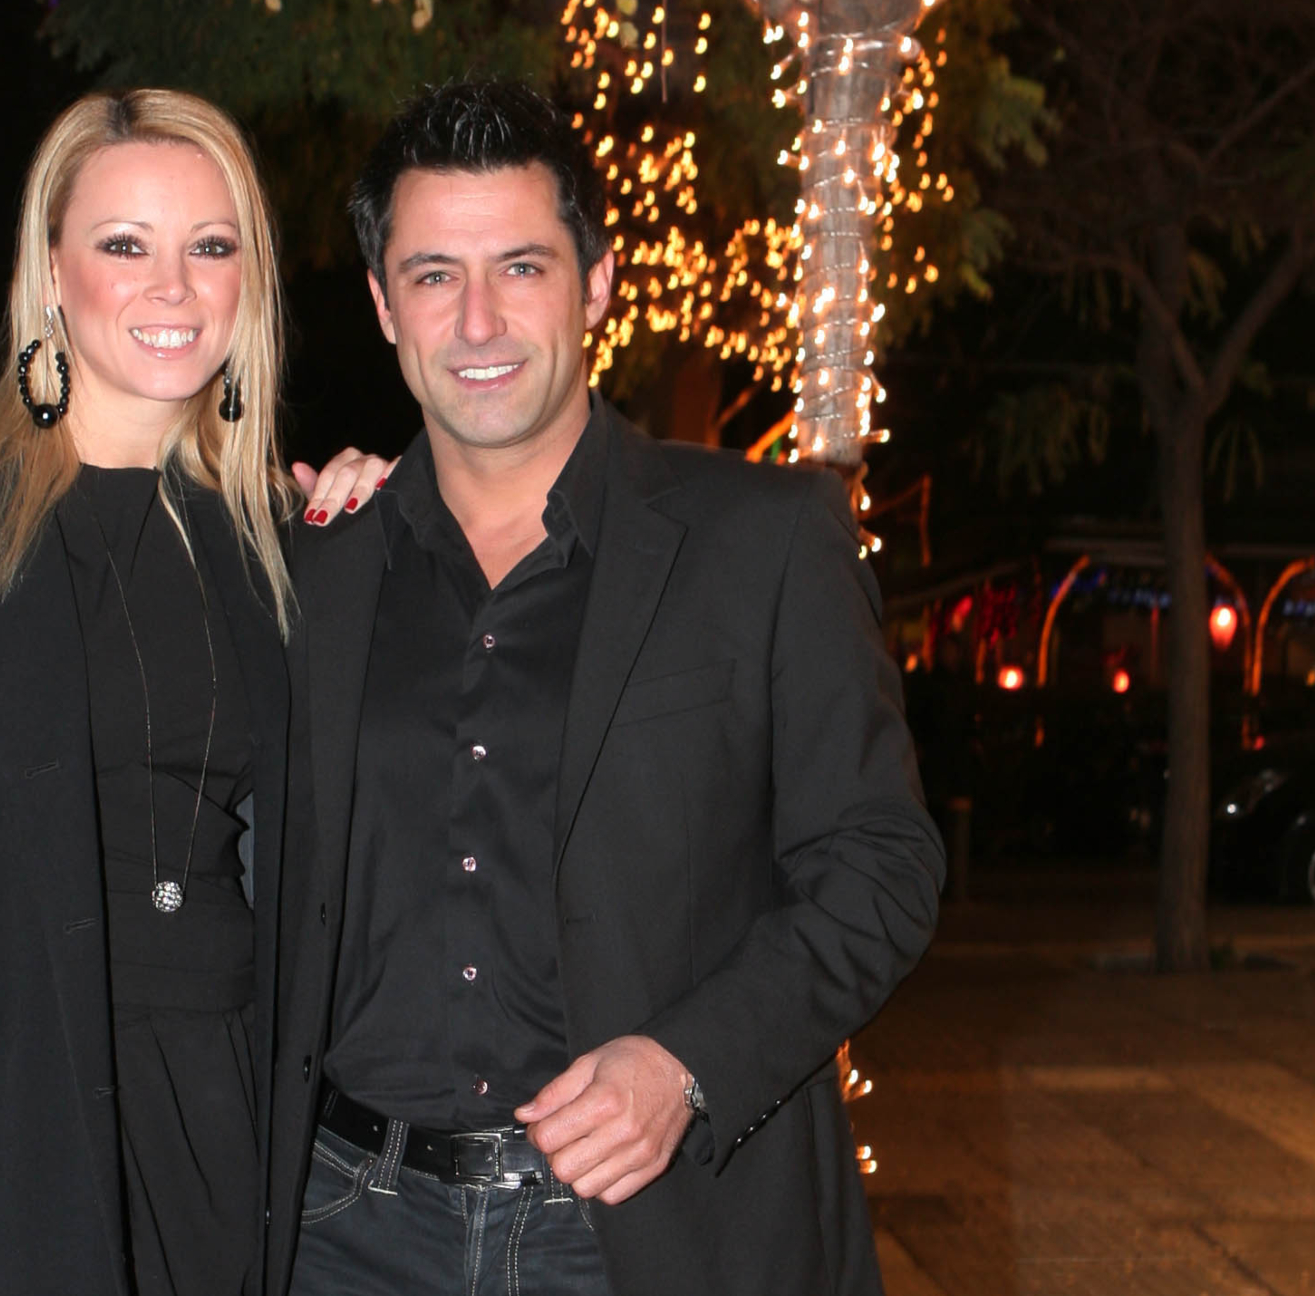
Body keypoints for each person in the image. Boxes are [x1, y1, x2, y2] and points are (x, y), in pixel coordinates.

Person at [270, 82, 945, 1296]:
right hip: (345, 1233)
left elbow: (881, 868)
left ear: (597, 282)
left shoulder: (766, 539)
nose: (477, 320)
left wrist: (687, 1066)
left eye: (521, 267)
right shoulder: (314, 561)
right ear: (382, 304)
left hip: (647, 1233)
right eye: (433, 275)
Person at [0, 89, 389, 1296]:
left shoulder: (280, 543)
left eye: (211, 246)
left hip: (224, 1131)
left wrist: (389, 529)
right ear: (52, 272)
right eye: (124, 245)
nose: (174, 287)